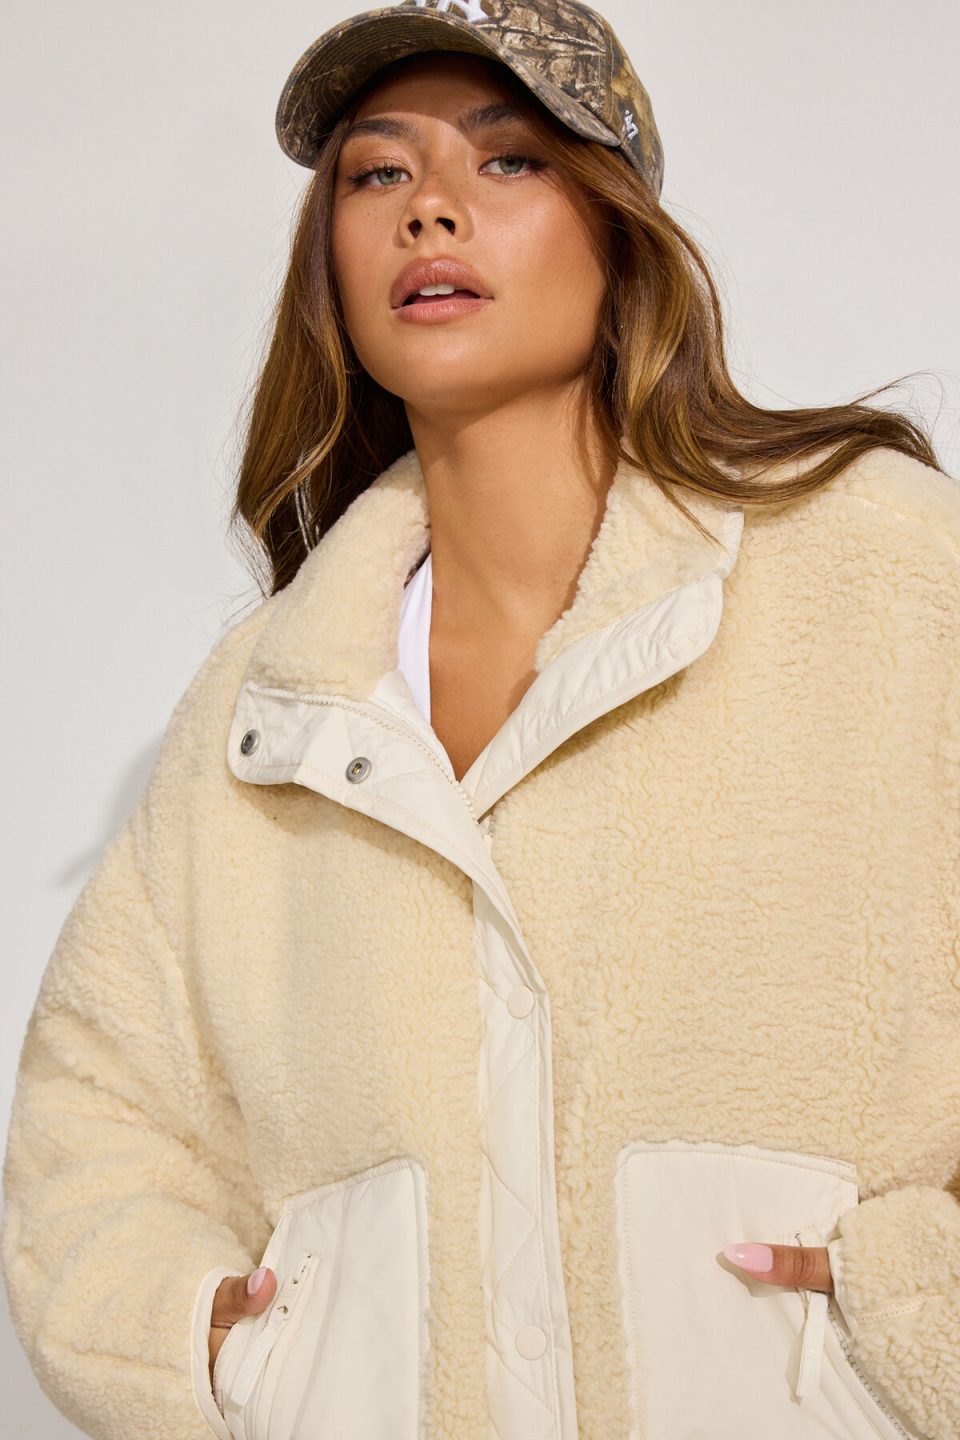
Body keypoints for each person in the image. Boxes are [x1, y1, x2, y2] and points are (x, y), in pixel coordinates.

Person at [3, 1, 958, 1436]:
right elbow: (98, 1115)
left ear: (619, 231)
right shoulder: (269, 706)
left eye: (508, 161)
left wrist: (907, 1311)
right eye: (378, 172)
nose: (430, 209)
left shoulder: (881, 574)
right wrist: (234, 1352)